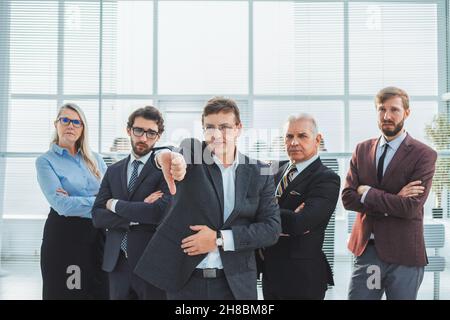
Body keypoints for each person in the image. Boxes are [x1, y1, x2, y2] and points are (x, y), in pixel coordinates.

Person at [134, 97, 281, 300]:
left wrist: (219, 239)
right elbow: (173, 155)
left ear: (238, 128)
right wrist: (166, 160)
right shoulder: (193, 154)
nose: (217, 135)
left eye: (225, 127)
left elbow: (271, 229)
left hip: (235, 286)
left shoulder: (260, 171)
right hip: (185, 283)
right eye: (209, 127)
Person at [342, 87, 437, 300]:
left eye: (394, 110)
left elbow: (410, 207)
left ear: (407, 113)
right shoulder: (362, 150)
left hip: (404, 255)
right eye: (381, 109)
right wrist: (394, 198)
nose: (387, 116)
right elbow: (348, 198)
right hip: (369, 253)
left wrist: (367, 192)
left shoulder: (424, 155)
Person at [92, 106, 171, 300]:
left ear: (158, 136)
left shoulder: (165, 171)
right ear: (129, 130)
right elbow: (97, 216)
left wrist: (114, 204)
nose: (143, 138)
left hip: (150, 263)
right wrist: (136, 216)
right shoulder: (113, 171)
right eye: (138, 130)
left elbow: (158, 213)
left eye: (151, 133)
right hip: (116, 262)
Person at [261, 114, 340, 300]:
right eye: (289, 136)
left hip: (303, 277)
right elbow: (247, 207)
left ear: (317, 139)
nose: (294, 142)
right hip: (270, 272)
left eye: (302, 136)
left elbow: (300, 223)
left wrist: (263, 213)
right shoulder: (273, 169)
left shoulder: (327, 178)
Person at [36, 102, 108, 300]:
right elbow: (62, 206)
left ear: (83, 128)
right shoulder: (46, 161)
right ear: (56, 124)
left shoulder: (96, 160)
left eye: (77, 122)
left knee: (101, 291)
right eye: (65, 120)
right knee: (69, 293)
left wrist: (80, 200)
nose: (71, 126)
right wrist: (100, 202)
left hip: (98, 235)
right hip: (65, 237)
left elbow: (112, 195)